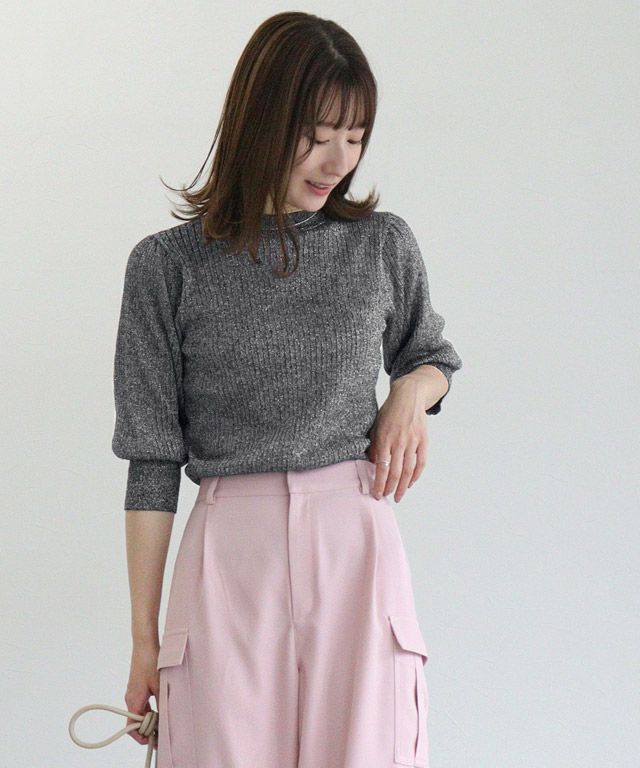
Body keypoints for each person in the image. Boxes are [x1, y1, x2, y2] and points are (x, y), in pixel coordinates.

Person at [112, 11, 462, 768]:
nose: (339, 158)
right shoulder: (168, 265)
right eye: (317, 133)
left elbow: (431, 355)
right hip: (229, 556)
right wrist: (144, 641)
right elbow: (151, 459)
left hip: (354, 546)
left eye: (356, 136)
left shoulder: (380, 244)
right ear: (261, 120)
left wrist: (411, 392)